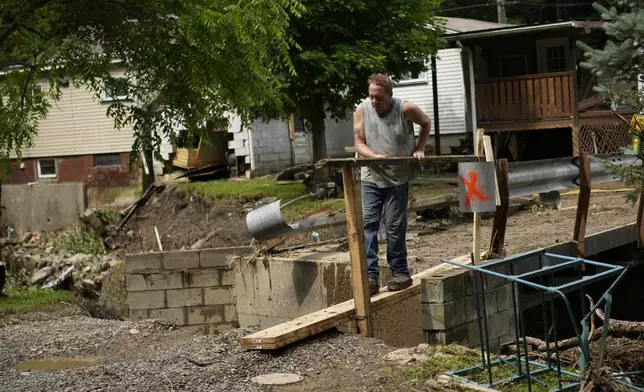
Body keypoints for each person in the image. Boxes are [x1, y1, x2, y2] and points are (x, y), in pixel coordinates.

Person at [353, 73, 431, 295]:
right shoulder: (362, 110)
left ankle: (399, 272)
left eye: (379, 98)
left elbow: (426, 123)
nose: (375, 102)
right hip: (371, 177)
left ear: (390, 95)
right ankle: (370, 277)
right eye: (372, 97)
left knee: (395, 225)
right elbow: (359, 143)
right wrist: (375, 157)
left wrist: (420, 148)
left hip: (398, 177)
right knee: (368, 225)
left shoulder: (405, 109)